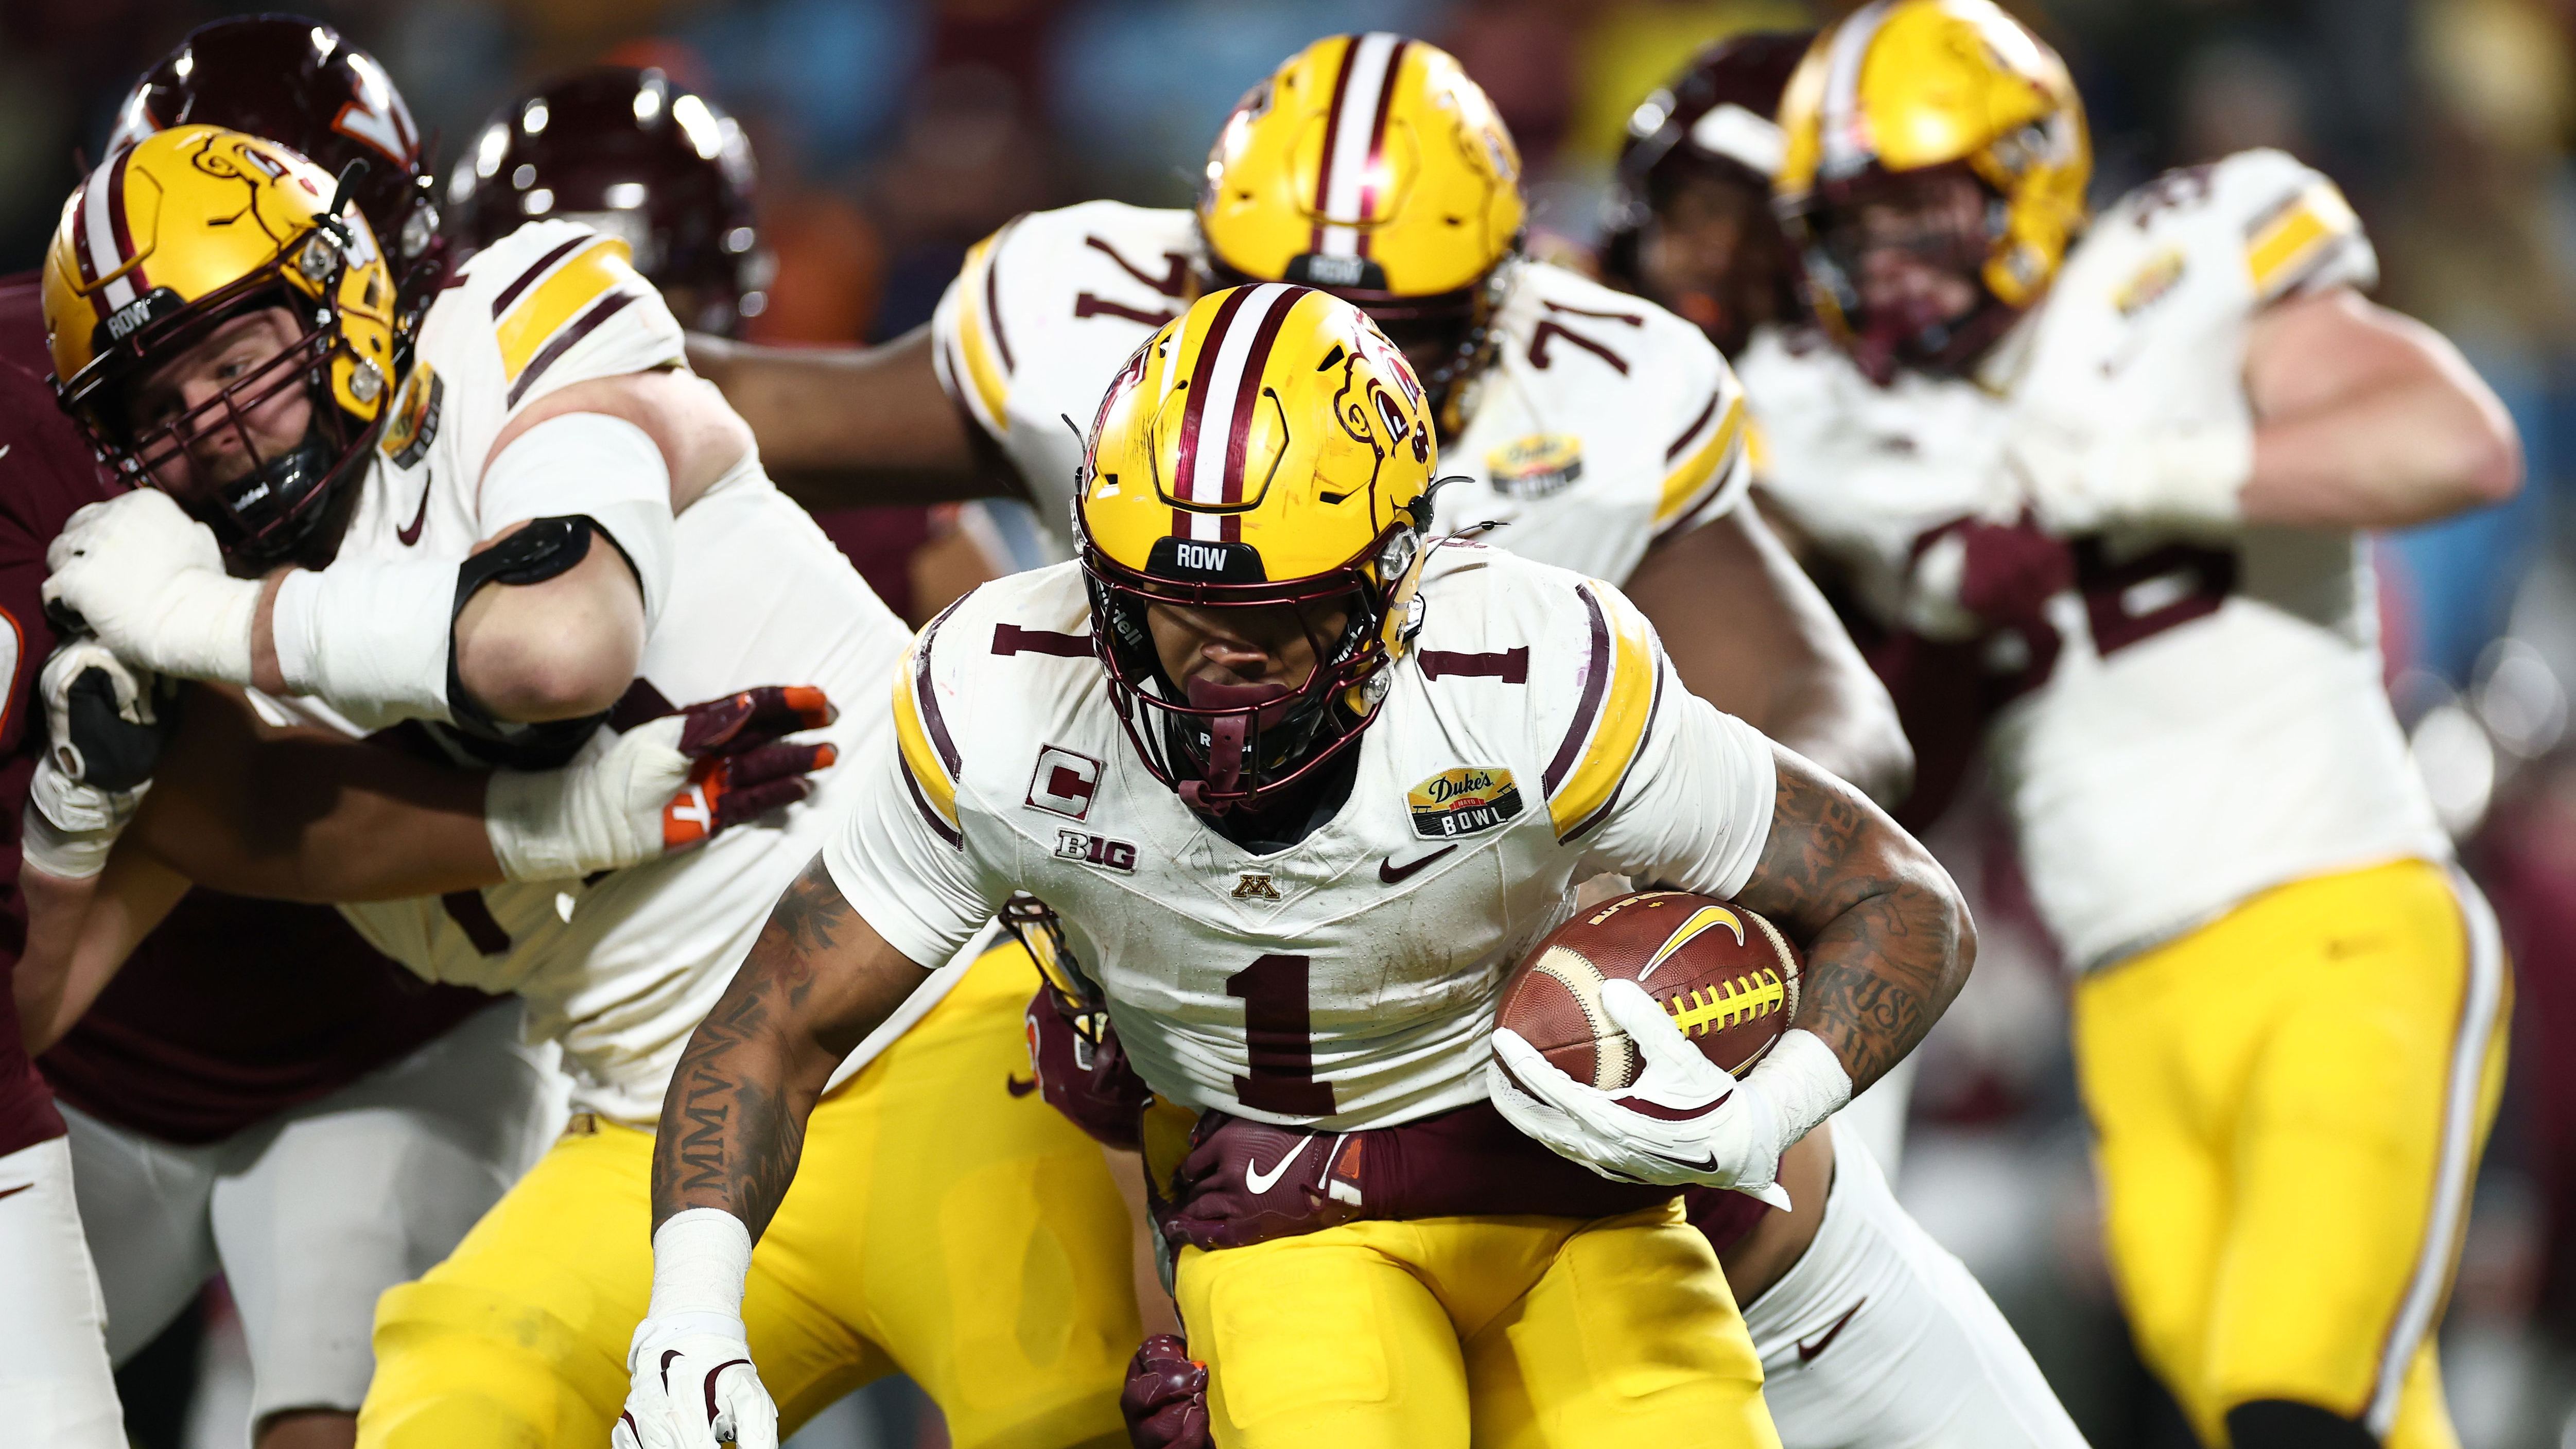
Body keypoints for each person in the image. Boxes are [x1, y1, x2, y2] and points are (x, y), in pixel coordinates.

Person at [617, 282, 1976, 1449]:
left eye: (1278, 610)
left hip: (1574, 1195)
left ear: (1395, 574)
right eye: (1175, 600)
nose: (1218, 652)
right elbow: (776, 1019)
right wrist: (687, 1308)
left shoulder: (1532, 674)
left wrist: (1762, 1115)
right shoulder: (999, 697)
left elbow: (1900, 898)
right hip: (1283, 1223)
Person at [32, 119, 1136, 1448]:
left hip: (945, 1010)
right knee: (443, 1407)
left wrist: (218, 621)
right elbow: (43, 995)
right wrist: (72, 808)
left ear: (349, 298)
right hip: (652, 1124)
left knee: (1080, 1402)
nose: (209, 425)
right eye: (156, 405)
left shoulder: (510, 327)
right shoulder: (198, 672)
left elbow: (559, 642)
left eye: (237, 354)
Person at [1749, 5, 2520, 1446]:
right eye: (1850, 225)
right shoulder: (1844, 425)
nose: (1886, 262)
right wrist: (1935, 602)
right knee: (2313, 1418)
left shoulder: (2171, 278)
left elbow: (2451, 439)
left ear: (2027, 173)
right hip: (2124, 1010)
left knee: (2291, 1404)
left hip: (2335, 928)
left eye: (1919, 208)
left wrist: (2133, 475)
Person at [690, 32, 1908, 809]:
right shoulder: (1073, 314)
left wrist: (1670, 879)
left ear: (1499, 297)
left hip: (1469, 957)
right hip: (1137, 895)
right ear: (1195, 266)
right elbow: (745, 411)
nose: (1330, 362)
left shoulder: (1609, 388)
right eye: (1281, 305)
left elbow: (1834, 721)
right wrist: (539, 329)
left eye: (1402, 332)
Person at [13, 24, 557, 1449]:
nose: (227, 395)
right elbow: (214, 817)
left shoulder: (530, 388)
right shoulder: (45, 416)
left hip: (399, 1049)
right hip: (100, 1080)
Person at [439, 63, 1008, 630]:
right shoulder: (408, 475)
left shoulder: (860, 484)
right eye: (547, 317)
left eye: (648, 318)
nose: (592, 358)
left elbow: (1021, 692)